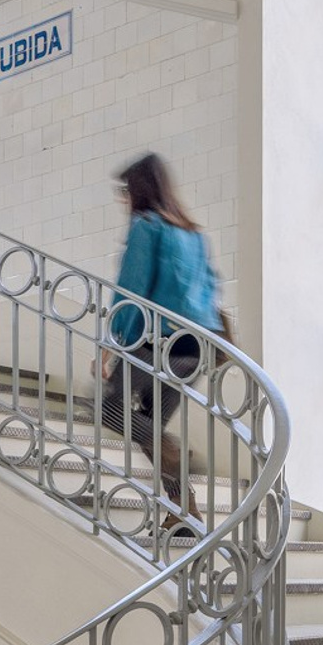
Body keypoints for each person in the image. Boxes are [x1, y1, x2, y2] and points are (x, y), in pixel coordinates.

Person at [98, 152, 227, 538]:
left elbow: (131, 290)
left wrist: (111, 347)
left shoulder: (147, 225)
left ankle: (173, 452)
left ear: (139, 191)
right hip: (197, 348)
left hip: (158, 343)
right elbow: (211, 288)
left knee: (110, 410)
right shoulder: (194, 234)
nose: (123, 199)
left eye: (125, 190)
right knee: (149, 423)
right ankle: (182, 513)